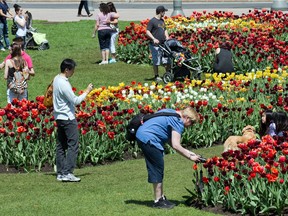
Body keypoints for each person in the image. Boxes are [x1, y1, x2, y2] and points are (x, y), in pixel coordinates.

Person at [136, 107, 201, 209]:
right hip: (149, 139)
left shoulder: (171, 112)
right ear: (187, 118)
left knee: (158, 166)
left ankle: (161, 197)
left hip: (143, 135)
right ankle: (158, 201)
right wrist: (190, 157)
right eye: (191, 123)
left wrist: (191, 153)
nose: (190, 126)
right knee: (157, 168)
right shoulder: (178, 122)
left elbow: (171, 141)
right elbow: (176, 145)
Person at [53, 58, 93, 182]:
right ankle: (67, 172)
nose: (73, 72)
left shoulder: (56, 79)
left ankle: (60, 172)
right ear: (66, 70)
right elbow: (75, 101)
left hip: (59, 116)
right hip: (67, 118)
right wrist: (87, 91)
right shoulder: (64, 83)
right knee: (73, 145)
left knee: (61, 145)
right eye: (72, 70)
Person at [146, 5, 170, 82]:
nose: (165, 13)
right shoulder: (152, 21)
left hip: (164, 44)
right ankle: (156, 76)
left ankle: (168, 74)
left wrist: (167, 36)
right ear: (160, 12)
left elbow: (164, 29)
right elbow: (147, 31)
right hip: (155, 45)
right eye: (164, 12)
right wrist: (154, 39)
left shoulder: (162, 21)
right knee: (156, 61)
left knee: (166, 60)